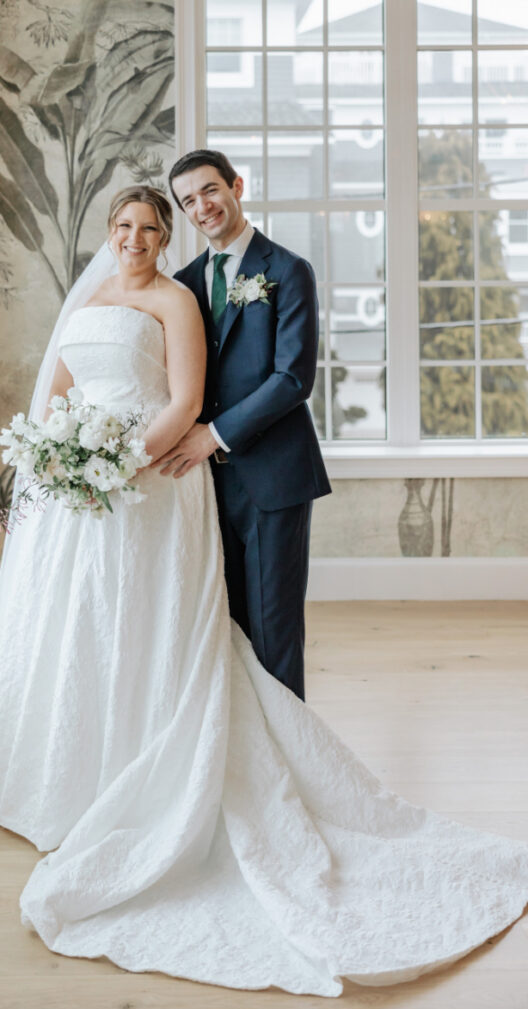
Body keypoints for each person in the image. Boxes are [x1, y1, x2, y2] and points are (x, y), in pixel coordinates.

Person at [0, 185, 528, 998]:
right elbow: (59, 392)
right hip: (80, 487)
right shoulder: (91, 296)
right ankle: (60, 772)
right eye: (125, 227)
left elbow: (185, 400)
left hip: (147, 479)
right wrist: (51, 455)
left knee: (152, 624)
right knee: (73, 628)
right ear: (109, 233)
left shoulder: (180, 299)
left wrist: (118, 463)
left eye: (152, 227)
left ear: (170, 230)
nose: (136, 239)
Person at [155, 149, 331, 702]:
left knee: (274, 627)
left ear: (236, 185)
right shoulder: (182, 285)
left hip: (273, 476)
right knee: (222, 622)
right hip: (202, 485)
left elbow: (291, 379)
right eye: (189, 201)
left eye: (210, 190)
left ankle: (290, 762)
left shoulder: (286, 270)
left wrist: (213, 435)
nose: (202, 206)